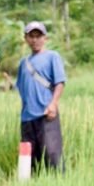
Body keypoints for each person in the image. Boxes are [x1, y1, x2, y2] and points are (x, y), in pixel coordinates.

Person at [16, 21, 66, 173]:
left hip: (46, 114)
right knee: (29, 159)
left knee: (52, 155)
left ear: (45, 38)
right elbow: (20, 86)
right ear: (26, 38)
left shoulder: (52, 56)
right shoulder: (23, 63)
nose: (35, 40)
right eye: (31, 36)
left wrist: (53, 104)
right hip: (27, 119)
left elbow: (60, 83)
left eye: (38, 36)